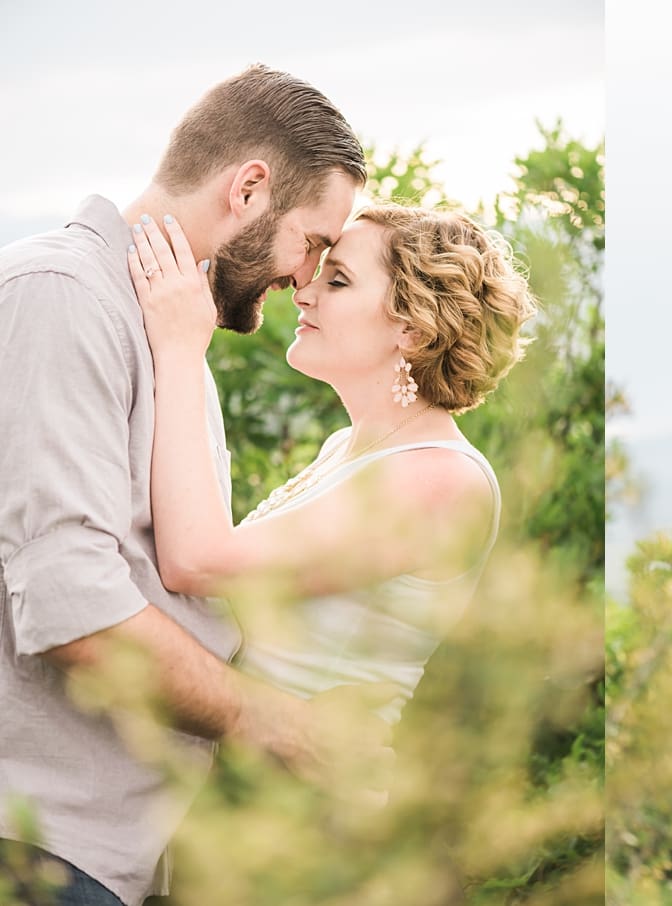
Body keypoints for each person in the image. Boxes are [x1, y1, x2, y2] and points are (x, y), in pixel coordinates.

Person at [0, 65, 367, 906]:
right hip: (40, 845)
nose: (305, 278)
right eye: (311, 241)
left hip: (117, 855)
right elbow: (70, 601)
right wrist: (268, 722)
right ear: (248, 190)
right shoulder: (63, 297)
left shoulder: (171, 326)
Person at [124, 201, 535, 724]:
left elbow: (196, 560)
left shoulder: (442, 481)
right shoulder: (345, 447)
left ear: (411, 328)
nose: (304, 293)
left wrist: (180, 347)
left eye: (337, 281)